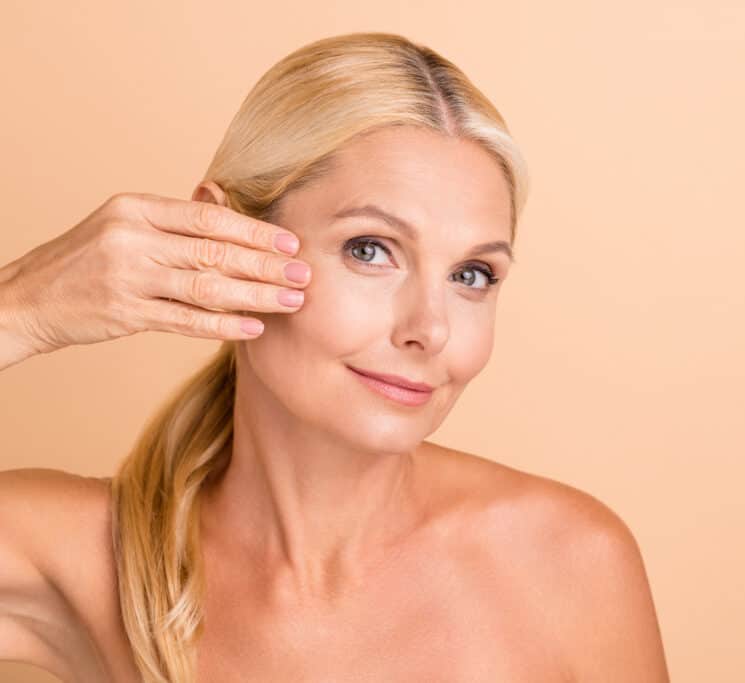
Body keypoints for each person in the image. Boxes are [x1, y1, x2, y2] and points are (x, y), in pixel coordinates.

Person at [0, 32, 669, 682]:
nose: (429, 329)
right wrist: (25, 307)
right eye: (370, 249)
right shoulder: (88, 561)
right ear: (221, 234)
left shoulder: (569, 561)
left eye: (471, 274)